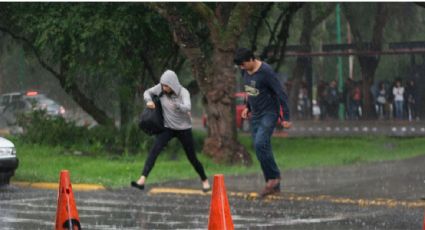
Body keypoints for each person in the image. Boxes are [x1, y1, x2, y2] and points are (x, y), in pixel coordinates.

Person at [131, 70, 210, 192]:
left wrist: (179, 106)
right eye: (162, 85)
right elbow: (147, 92)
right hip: (167, 128)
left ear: (173, 84)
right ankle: (142, 180)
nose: (163, 88)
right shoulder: (161, 88)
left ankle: (204, 180)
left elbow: (188, 106)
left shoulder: (183, 92)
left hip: (183, 129)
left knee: (192, 157)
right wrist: (149, 101)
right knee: (154, 151)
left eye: (166, 86)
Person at [233, 48, 292, 197]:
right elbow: (250, 91)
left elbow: (281, 93)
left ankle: (274, 177)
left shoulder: (266, 72)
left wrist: (286, 117)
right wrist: (247, 107)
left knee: (260, 143)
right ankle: (273, 184)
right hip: (256, 115)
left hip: (269, 113)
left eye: (243, 64)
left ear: (251, 59)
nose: (241, 68)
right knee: (260, 148)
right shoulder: (244, 71)